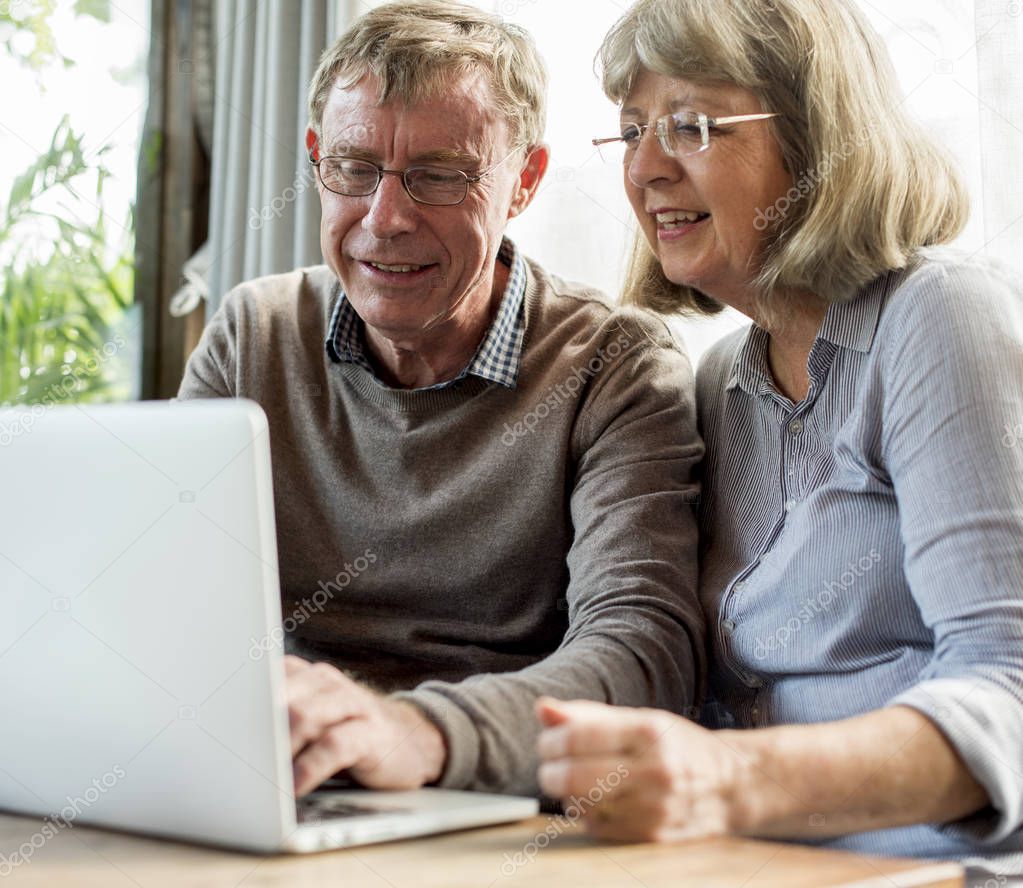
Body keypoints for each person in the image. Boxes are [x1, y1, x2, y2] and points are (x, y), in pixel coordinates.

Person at [535, 0, 1023, 883]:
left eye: (689, 126)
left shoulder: (938, 319)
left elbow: (1011, 684)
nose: (644, 168)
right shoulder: (721, 376)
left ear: (812, 134)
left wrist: (728, 781)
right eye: (631, 131)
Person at [177, 0, 705, 800]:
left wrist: (413, 735)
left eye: (439, 176)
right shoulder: (253, 337)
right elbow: (167, 617)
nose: (385, 219)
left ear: (523, 180)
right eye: (354, 169)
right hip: (276, 784)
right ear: (317, 159)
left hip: (488, 804)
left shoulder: (612, 367)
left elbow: (645, 657)